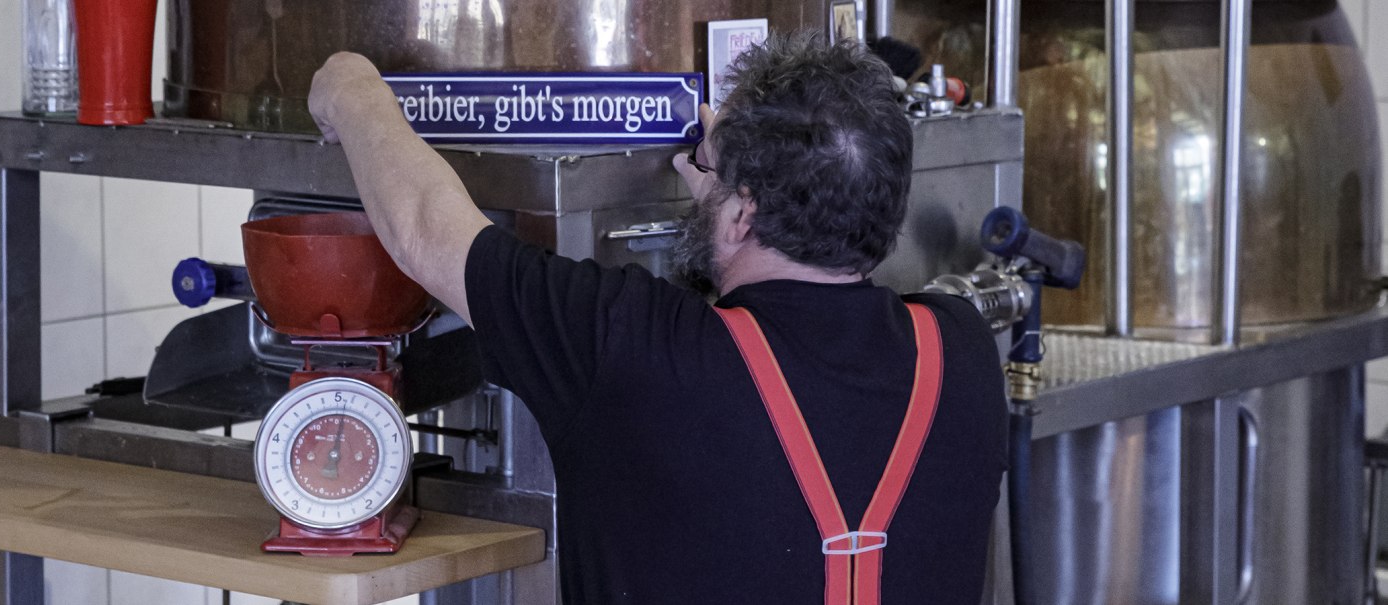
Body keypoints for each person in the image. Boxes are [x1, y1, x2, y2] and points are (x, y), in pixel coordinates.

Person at [308, 29, 1006, 604]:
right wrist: (731, 194)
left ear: (742, 213)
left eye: (709, 164)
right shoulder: (963, 355)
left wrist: (350, 85)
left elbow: (424, 228)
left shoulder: (631, 351)